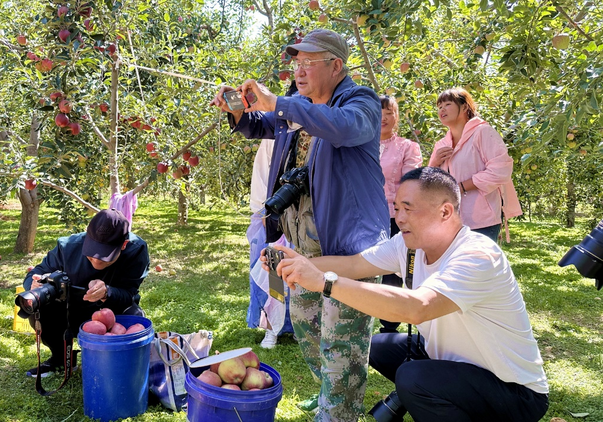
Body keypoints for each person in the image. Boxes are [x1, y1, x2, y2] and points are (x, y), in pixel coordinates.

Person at [268, 167, 549, 422]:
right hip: (456, 363)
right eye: (396, 208)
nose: (399, 218)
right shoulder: (409, 245)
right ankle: (445, 395)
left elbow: (418, 308)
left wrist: (325, 283)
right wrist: (295, 263)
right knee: (379, 347)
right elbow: (354, 265)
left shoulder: (476, 255)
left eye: (408, 209)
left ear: (445, 212)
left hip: (515, 392)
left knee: (413, 377)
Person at [210, 29, 390, 421]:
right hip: (299, 250)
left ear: (336, 66)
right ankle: (330, 398)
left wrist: (282, 102)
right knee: (310, 335)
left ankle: (338, 411)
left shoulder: (359, 102)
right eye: (296, 63)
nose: (299, 70)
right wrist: (238, 111)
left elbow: (343, 127)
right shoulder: (300, 107)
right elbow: (261, 124)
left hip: (346, 250)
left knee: (342, 347)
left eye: (308, 62)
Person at [22, 209, 149, 377]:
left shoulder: (136, 251)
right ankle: (61, 358)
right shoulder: (68, 247)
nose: (96, 260)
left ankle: (116, 363)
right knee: (39, 307)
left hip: (113, 311)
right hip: (69, 311)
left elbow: (129, 294)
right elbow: (35, 273)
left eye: (105, 257)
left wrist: (107, 292)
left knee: (135, 317)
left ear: (123, 245)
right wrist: (33, 283)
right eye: (92, 254)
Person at [428, 87, 521, 242]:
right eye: (439, 107)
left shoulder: (483, 132)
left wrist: (462, 187)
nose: (442, 110)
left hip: (481, 220)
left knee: (478, 265)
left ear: (464, 107)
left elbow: (501, 170)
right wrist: (434, 162)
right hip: (449, 220)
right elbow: (429, 182)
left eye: (447, 104)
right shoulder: (441, 144)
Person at [377, 95, 422, 333]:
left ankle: (389, 325)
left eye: (389, 112)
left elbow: (411, 181)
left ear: (396, 117)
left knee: (392, 270)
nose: (384, 118)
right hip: (364, 216)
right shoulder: (361, 144)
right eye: (379, 112)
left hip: (395, 217)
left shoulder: (407, 147)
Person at [246, 137, 294, 349]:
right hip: (275, 212)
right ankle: (271, 327)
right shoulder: (275, 137)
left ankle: (297, 326)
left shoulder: (316, 131)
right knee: (274, 270)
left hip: (306, 216)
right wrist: (265, 212)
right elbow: (262, 176)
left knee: (300, 275)